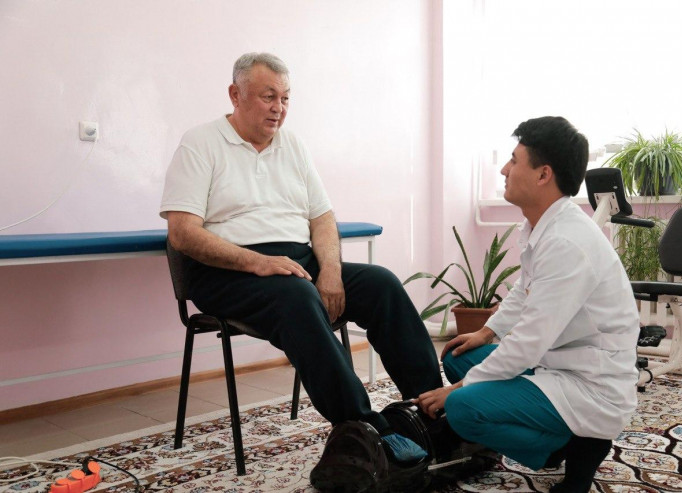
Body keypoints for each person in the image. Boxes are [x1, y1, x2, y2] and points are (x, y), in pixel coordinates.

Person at [160, 52, 442, 464]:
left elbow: (322, 218)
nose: (279, 108)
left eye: (286, 98)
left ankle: (432, 408)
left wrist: (331, 271)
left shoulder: (292, 145)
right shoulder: (200, 143)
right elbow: (182, 233)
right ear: (235, 95)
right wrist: (256, 262)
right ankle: (365, 428)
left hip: (296, 265)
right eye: (268, 97)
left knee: (380, 283)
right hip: (227, 272)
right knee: (297, 296)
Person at [416, 116, 640, 493]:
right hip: (557, 363)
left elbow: (529, 342)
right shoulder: (545, 225)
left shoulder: (567, 242)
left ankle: (573, 447)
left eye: (514, 160)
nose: (504, 170)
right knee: (457, 357)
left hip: (590, 383)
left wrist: (457, 391)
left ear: (543, 174)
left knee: (462, 407)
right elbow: (525, 289)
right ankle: (539, 427)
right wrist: (486, 332)